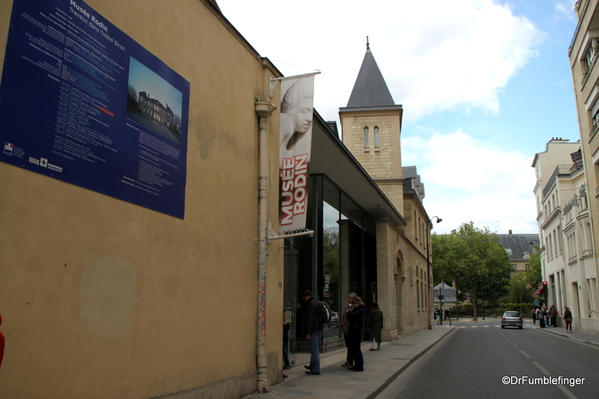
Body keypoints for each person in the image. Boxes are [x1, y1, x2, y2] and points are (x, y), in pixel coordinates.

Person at [279, 78, 314, 167]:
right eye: (304, 111)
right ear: (290, 108)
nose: (310, 119)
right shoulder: (285, 120)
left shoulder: (289, 128)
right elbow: (274, 157)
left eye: (310, 113)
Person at [302, 289, 323, 375]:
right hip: (318, 328)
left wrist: (308, 332)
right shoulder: (316, 302)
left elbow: (311, 319)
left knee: (314, 349)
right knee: (314, 348)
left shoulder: (311, 304)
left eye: (304, 297)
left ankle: (315, 368)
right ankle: (312, 365)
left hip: (314, 329)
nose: (304, 299)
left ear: (308, 296)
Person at [346, 296, 365, 372]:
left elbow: (354, 315)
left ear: (358, 303)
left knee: (357, 349)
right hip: (353, 330)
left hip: (357, 331)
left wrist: (349, 312)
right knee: (353, 349)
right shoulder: (355, 309)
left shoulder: (361, 310)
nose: (354, 305)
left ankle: (360, 365)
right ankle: (356, 364)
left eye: (355, 303)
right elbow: (349, 318)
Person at [341, 292, 356, 368]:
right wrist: (342, 325)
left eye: (351, 297)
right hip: (346, 329)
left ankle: (351, 361)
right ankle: (349, 360)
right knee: (348, 346)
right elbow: (343, 317)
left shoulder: (355, 307)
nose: (349, 298)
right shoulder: (346, 307)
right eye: (349, 297)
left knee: (352, 346)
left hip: (352, 329)